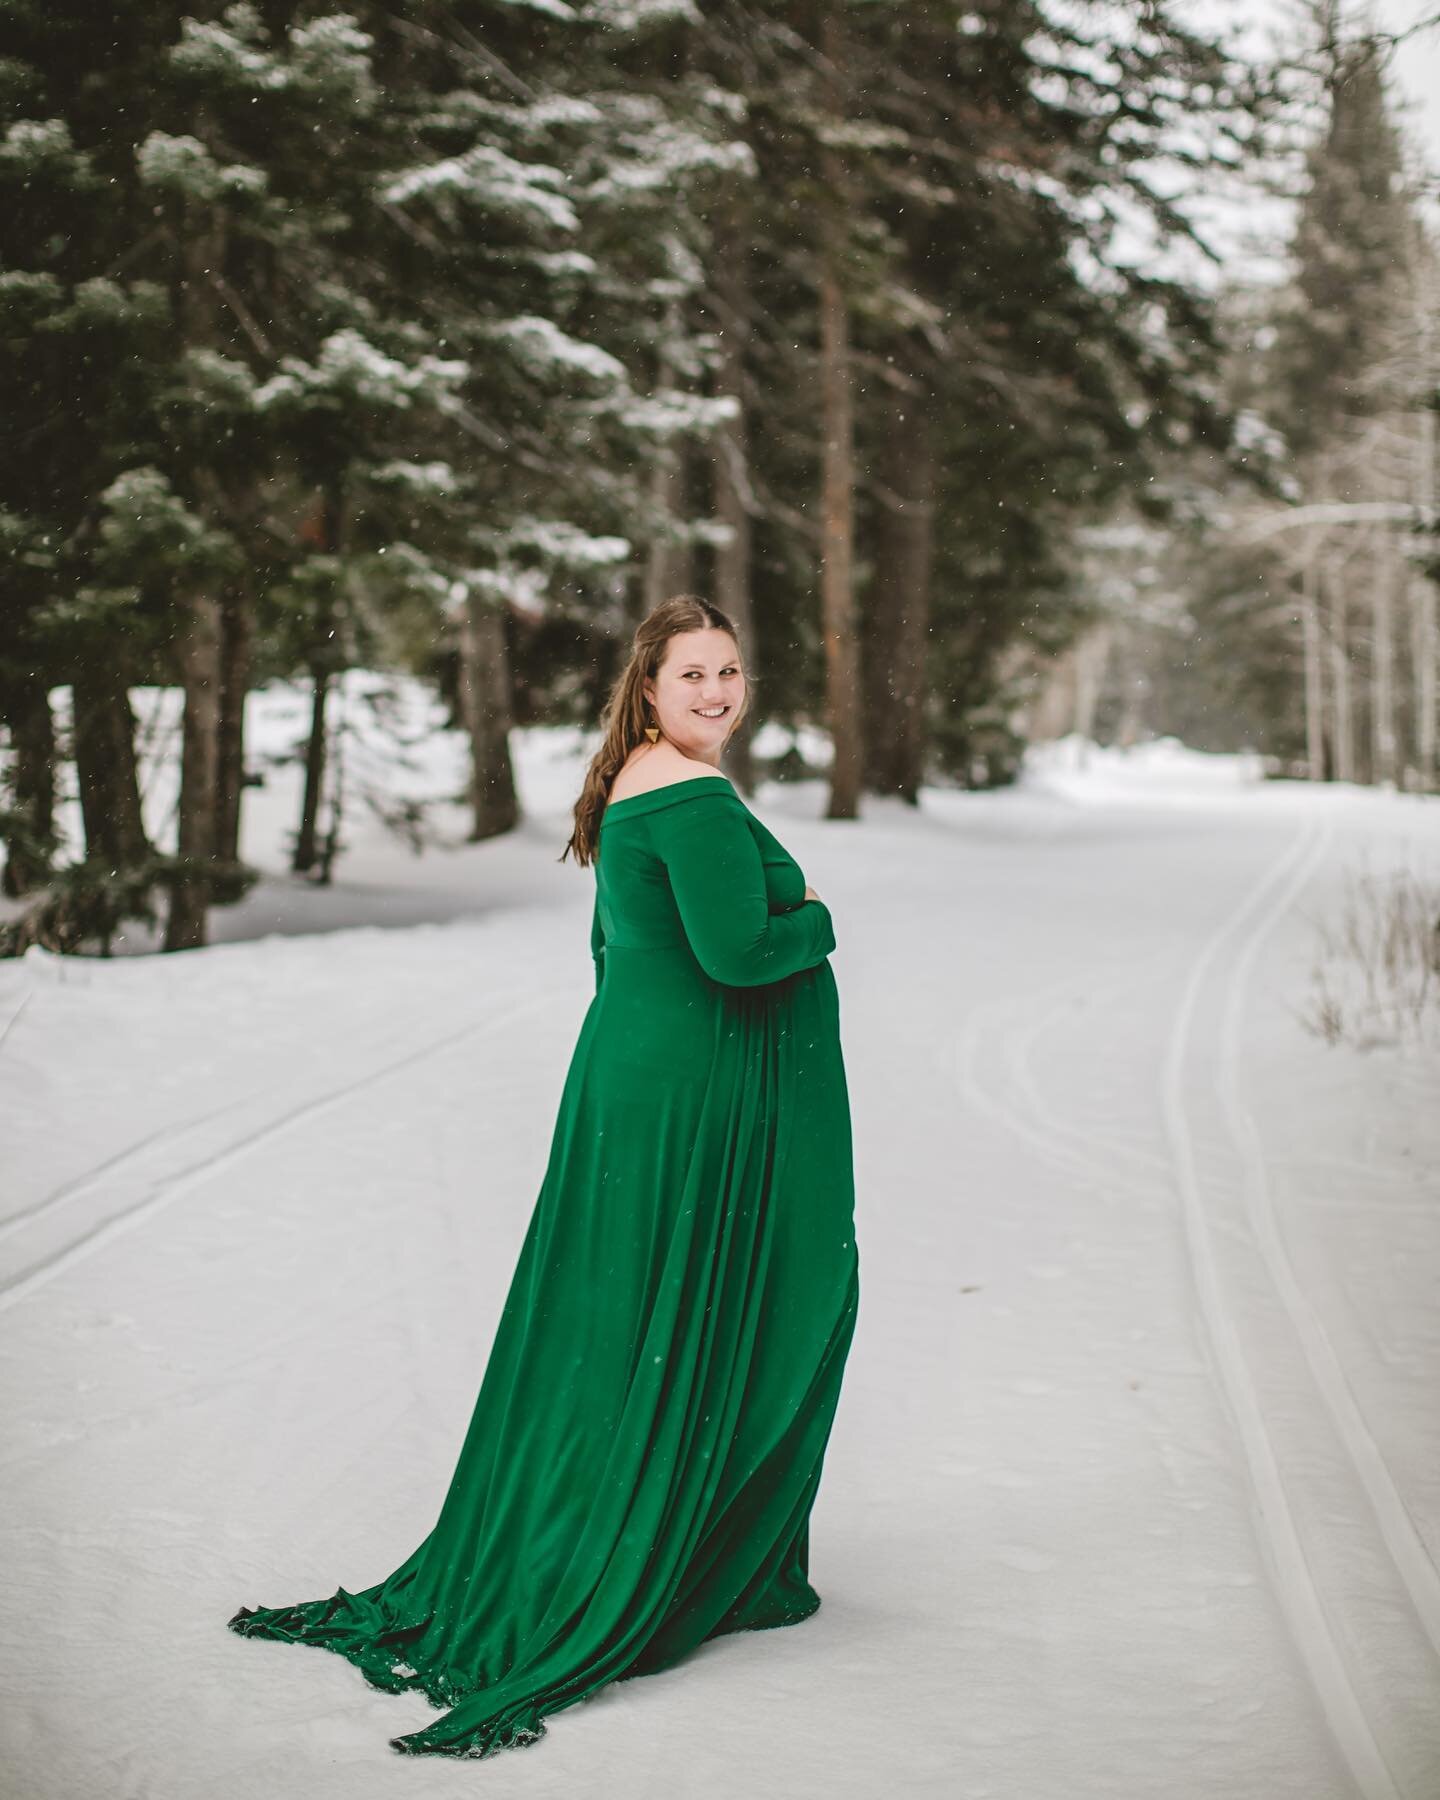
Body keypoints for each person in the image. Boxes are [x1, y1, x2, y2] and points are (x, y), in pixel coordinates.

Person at [227, 593, 861, 1759]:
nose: (716, 692)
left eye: (729, 671)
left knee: (616, 1326)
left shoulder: (624, 783)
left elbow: (617, 948)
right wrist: (818, 921)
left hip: (632, 1085)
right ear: (650, 686)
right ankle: (648, 1548)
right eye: (693, 676)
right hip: (692, 1103)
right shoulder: (699, 796)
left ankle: (599, 1521)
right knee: (759, 1305)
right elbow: (740, 953)